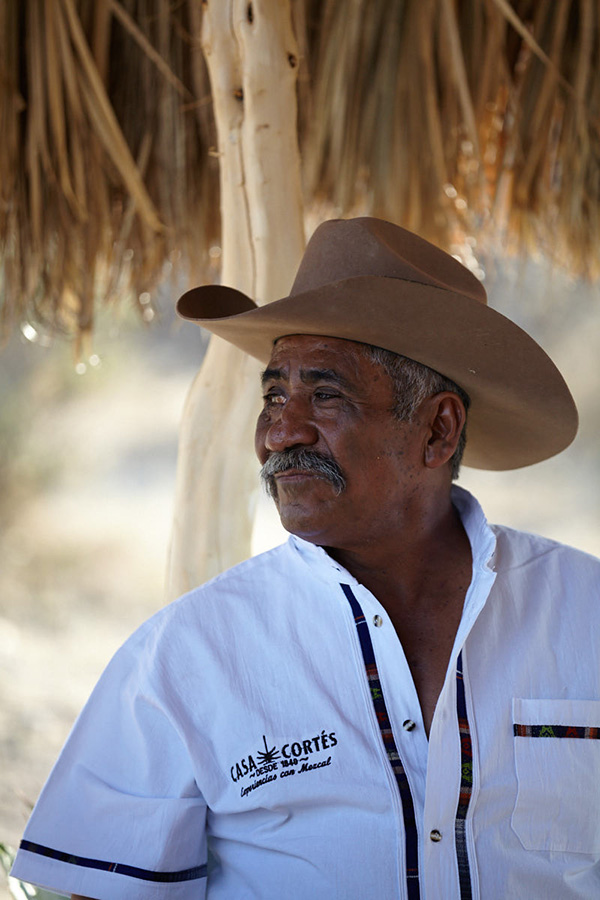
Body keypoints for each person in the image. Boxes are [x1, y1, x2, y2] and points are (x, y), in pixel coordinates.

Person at [11, 217, 600, 900]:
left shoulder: (583, 613)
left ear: (438, 429)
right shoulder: (184, 656)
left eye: (325, 395)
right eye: (273, 395)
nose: (281, 431)